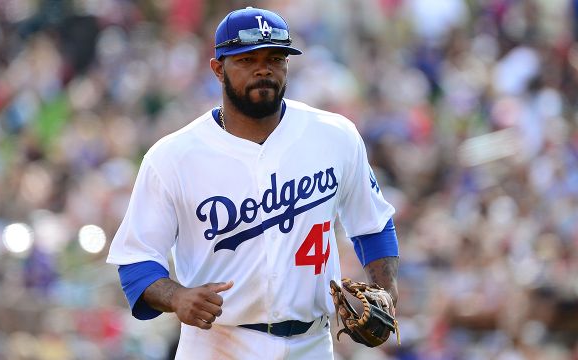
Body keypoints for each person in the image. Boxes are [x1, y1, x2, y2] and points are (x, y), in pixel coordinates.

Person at [107, 7, 399, 359]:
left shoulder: (335, 136)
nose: (264, 68)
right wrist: (178, 297)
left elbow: (374, 224)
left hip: (312, 343)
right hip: (218, 343)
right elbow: (136, 261)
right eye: (247, 59)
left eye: (275, 57)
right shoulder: (172, 156)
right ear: (218, 69)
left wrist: (386, 291)